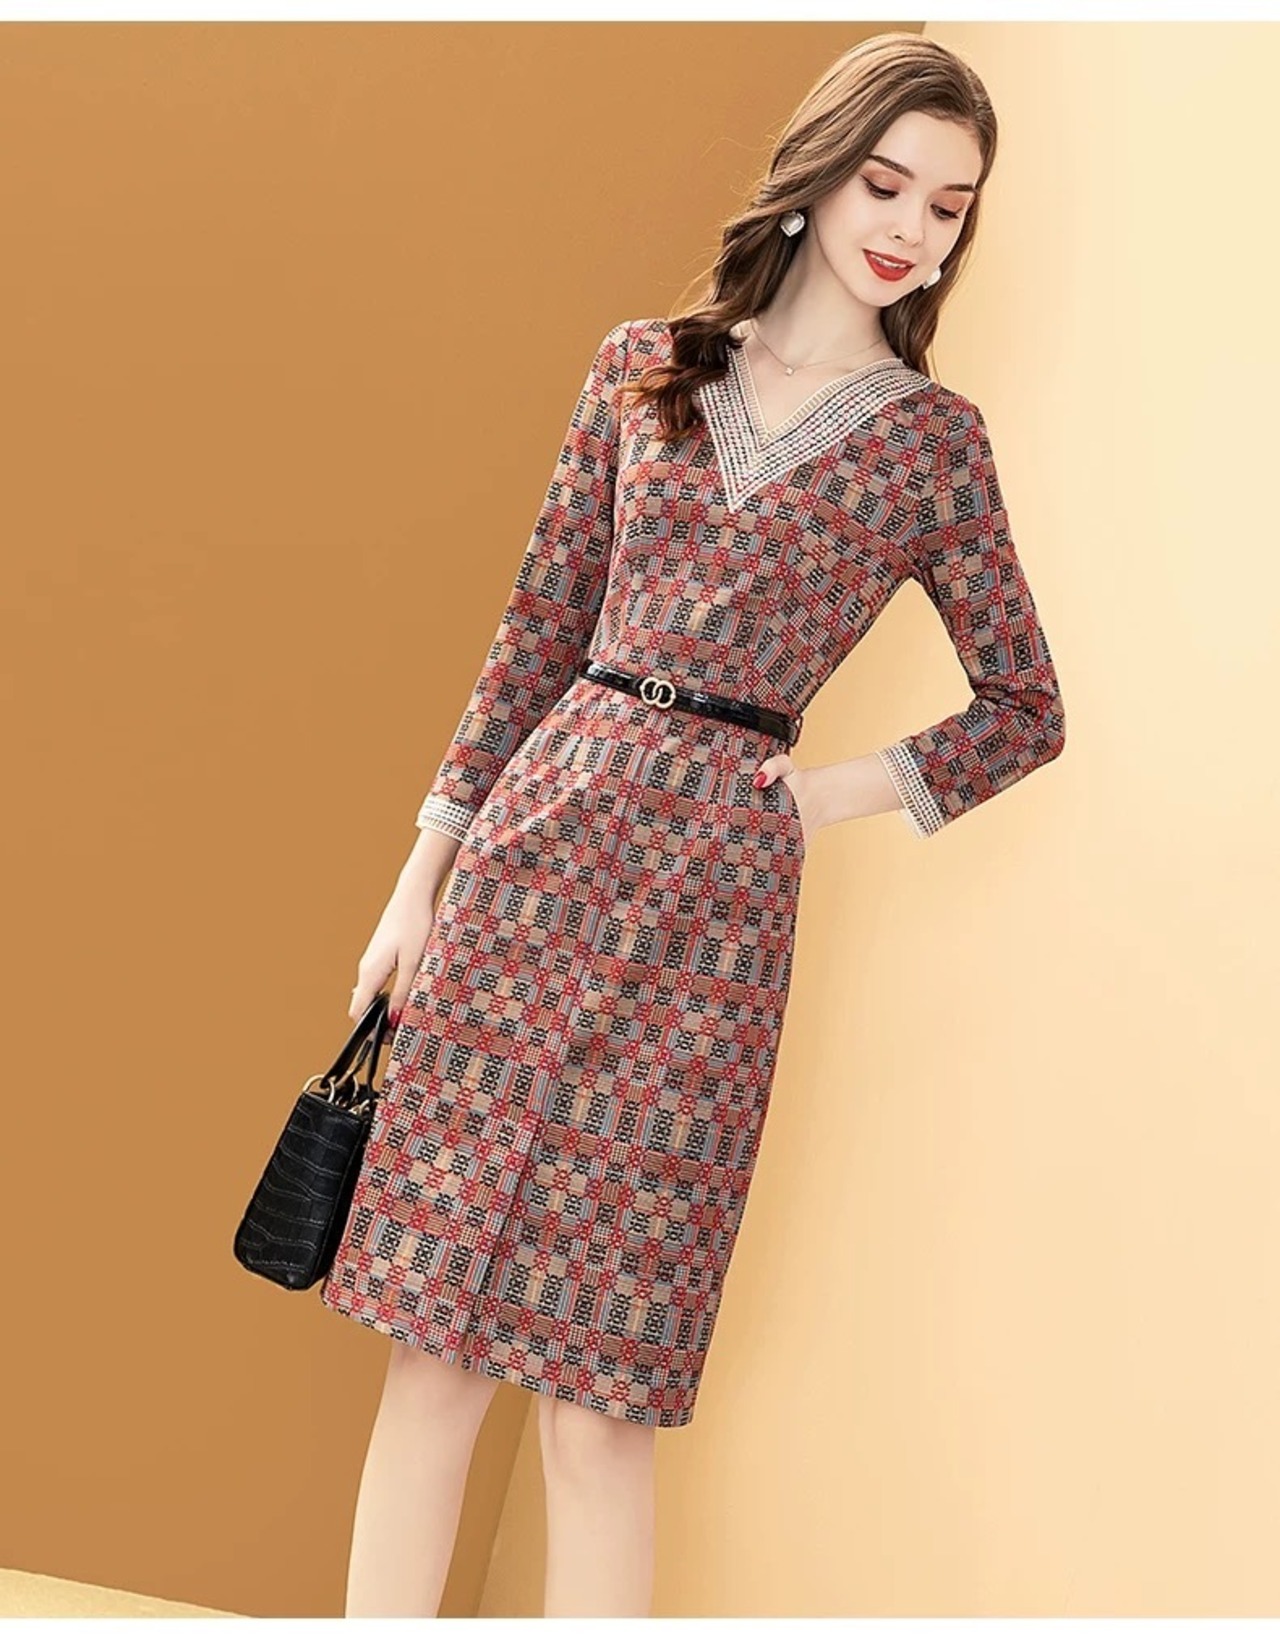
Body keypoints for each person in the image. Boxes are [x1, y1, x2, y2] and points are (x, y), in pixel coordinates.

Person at [319, 30, 1066, 1619]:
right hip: (529, 862)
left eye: (947, 207)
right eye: (885, 184)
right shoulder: (644, 367)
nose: (909, 228)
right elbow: (535, 632)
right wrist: (415, 884)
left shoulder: (932, 446)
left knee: (599, 1406)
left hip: (711, 929)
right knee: (431, 1356)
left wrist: (818, 794)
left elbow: (1026, 707)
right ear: (820, 174)